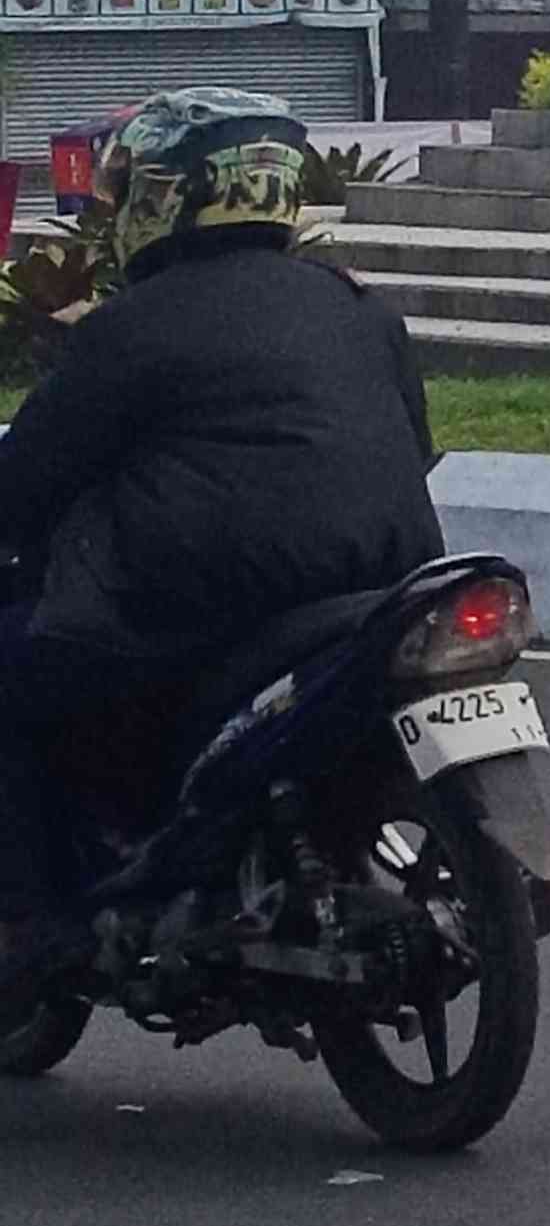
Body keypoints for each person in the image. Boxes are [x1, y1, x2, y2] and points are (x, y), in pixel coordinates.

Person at [0, 92, 444, 998]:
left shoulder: (131, 328)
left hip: (194, 613)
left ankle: (30, 926)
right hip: (377, 591)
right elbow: (418, 446)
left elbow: (29, 478)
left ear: (165, 199)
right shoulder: (358, 309)